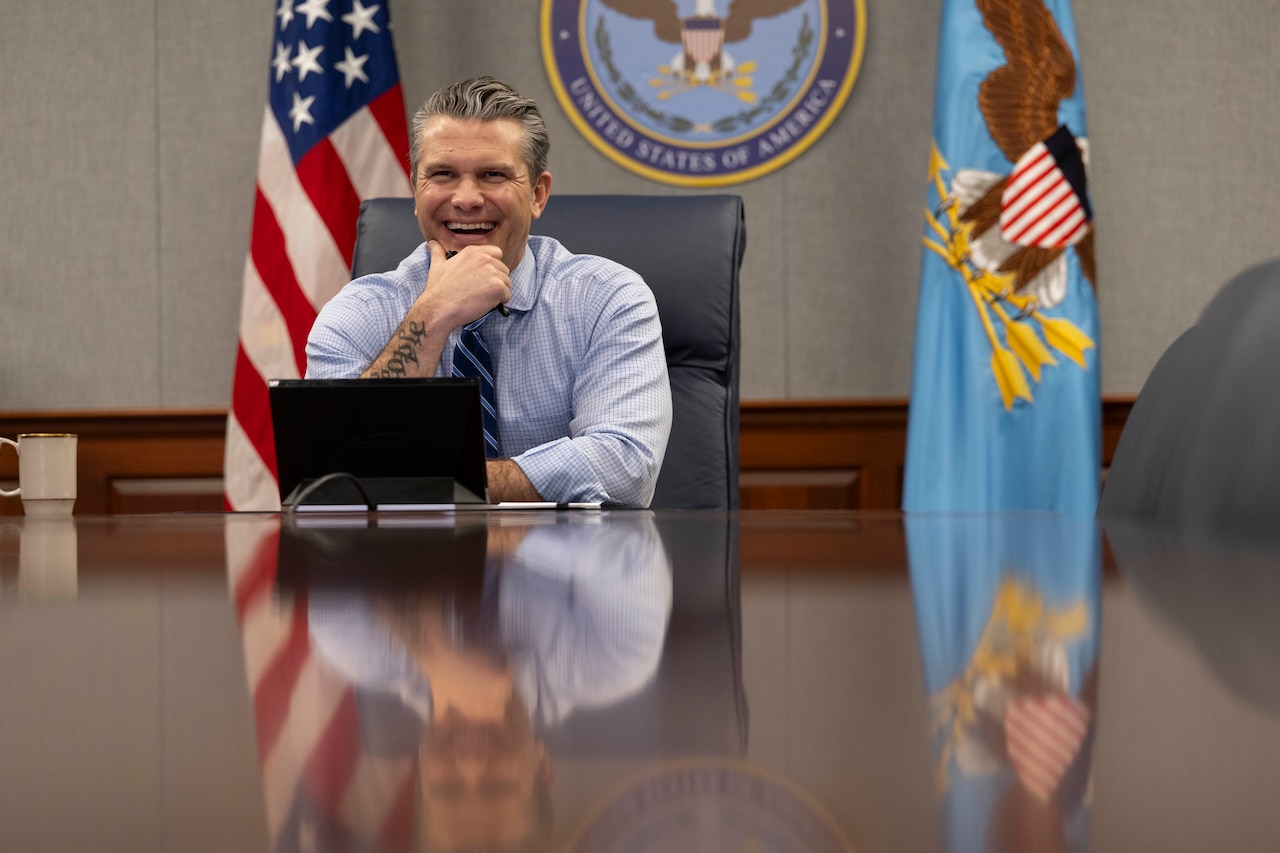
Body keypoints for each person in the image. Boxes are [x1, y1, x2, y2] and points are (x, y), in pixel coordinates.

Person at [306, 77, 672, 507]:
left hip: (569, 567)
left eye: (492, 175)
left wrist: (432, 482)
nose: (465, 199)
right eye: (442, 174)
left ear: (537, 194)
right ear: (416, 191)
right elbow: (333, 478)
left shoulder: (607, 299)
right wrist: (433, 312)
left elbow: (625, 467)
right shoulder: (357, 312)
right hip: (410, 569)